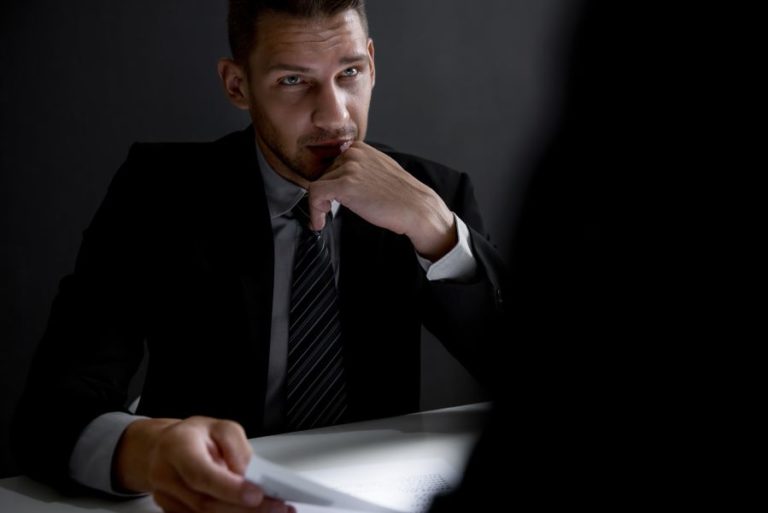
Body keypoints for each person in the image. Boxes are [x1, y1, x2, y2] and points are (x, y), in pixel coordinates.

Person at [13, 1, 504, 512]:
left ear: (373, 65)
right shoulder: (157, 194)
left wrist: (439, 232)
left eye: (350, 72)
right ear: (237, 85)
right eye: (294, 81)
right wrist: (150, 451)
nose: (335, 115)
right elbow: (48, 416)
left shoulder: (434, 196)